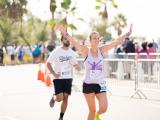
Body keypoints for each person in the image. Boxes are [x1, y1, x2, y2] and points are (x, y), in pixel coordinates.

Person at [56, 23, 133, 120]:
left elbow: (116, 42)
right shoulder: (85, 51)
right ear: (89, 41)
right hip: (88, 84)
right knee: (91, 110)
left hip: (100, 84)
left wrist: (128, 33)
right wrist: (65, 33)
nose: (97, 40)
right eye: (94, 38)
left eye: (98, 38)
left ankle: (97, 115)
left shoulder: (102, 50)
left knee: (103, 108)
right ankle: (93, 115)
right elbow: (75, 43)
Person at [46, 35, 81, 120]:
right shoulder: (56, 51)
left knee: (66, 97)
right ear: (62, 41)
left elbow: (74, 64)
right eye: (65, 39)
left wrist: (77, 67)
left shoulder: (72, 52)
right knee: (59, 98)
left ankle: (61, 117)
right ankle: (54, 97)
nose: (67, 40)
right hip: (58, 78)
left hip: (68, 77)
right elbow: (48, 63)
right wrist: (54, 74)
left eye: (68, 39)